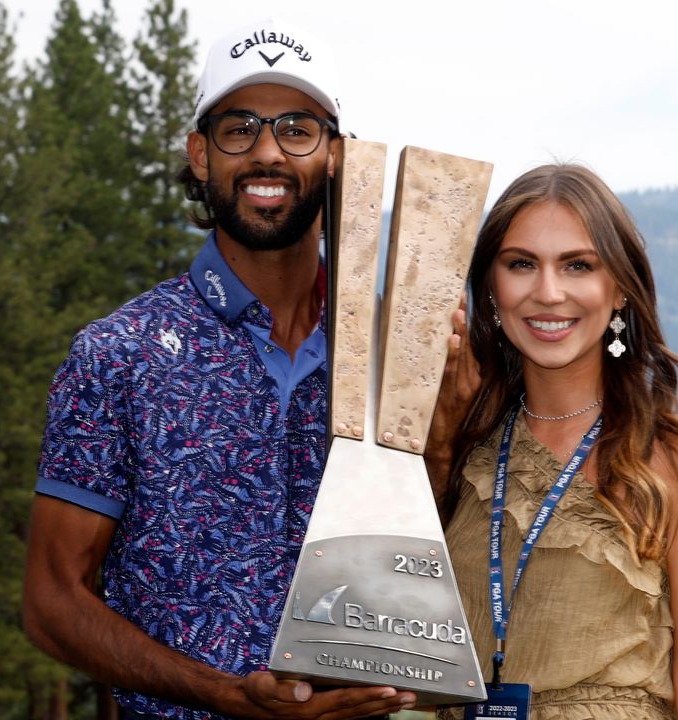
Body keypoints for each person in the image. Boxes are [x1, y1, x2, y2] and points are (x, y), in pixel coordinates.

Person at [22, 18, 417, 720]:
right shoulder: (120, 356)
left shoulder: (396, 352)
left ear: (338, 158)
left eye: (297, 129)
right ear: (200, 155)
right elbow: (52, 602)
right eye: (240, 129)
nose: (268, 153)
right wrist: (224, 696)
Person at [434, 164, 678, 720]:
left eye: (578, 265)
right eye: (521, 264)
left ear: (621, 289)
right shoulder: (463, 442)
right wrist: (437, 445)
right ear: (490, 288)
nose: (548, 292)